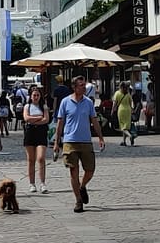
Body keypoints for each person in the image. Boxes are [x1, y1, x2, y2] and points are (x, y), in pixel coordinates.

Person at [53, 74, 105, 212]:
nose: (84, 87)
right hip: (70, 141)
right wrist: (56, 143)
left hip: (86, 141)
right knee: (73, 172)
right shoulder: (65, 102)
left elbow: (94, 120)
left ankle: (82, 186)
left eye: (84, 85)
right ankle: (78, 201)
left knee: (90, 170)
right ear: (74, 87)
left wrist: (100, 137)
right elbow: (60, 123)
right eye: (81, 85)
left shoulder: (88, 102)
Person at [23, 85, 50, 193]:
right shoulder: (27, 106)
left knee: (41, 158)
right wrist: (39, 118)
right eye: (34, 95)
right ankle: (32, 183)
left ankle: (42, 183)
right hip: (30, 133)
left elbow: (46, 119)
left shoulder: (44, 106)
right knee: (31, 160)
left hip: (41, 133)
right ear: (30, 96)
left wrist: (34, 120)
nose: (36, 97)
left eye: (38, 95)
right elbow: (26, 118)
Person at [112, 81, 134, 146]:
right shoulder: (128, 94)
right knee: (126, 126)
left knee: (122, 127)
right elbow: (131, 103)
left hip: (121, 110)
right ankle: (124, 141)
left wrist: (112, 110)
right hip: (128, 110)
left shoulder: (117, 93)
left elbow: (115, 103)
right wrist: (132, 110)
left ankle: (130, 136)